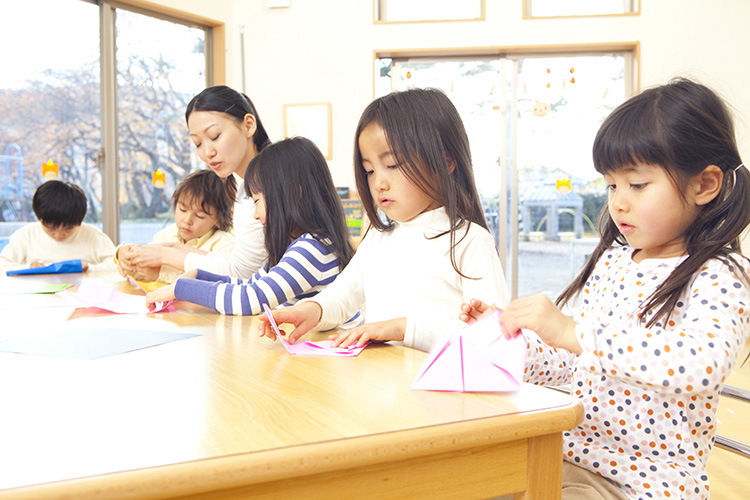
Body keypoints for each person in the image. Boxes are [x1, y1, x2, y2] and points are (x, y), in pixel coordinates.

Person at [460, 78, 750, 500]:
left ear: (704, 185)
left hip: (647, 485)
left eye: (637, 185)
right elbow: (579, 363)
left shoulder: (720, 272)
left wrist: (572, 331)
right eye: (611, 185)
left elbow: (699, 364)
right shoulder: (615, 261)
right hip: (568, 456)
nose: (618, 202)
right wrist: (512, 343)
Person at [259, 87, 509, 352]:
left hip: (441, 388)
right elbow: (343, 296)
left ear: (445, 162)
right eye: (369, 170)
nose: (378, 183)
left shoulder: (470, 241)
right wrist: (310, 310)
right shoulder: (378, 239)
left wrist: (402, 328)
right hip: (381, 384)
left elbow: (492, 334)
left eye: (392, 165)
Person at [145, 136, 357, 317]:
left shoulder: (312, 249)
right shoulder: (295, 246)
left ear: (293, 195)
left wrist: (183, 288)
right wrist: (200, 276)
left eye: (257, 201)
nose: (255, 215)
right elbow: (249, 284)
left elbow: (251, 299)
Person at [117, 85, 270, 280]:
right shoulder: (244, 188)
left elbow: (243, 273)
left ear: (248, 125)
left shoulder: (265, 186)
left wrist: (165, 256)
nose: (207, 152)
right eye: (197, 143)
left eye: (215, 136)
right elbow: (234, 261)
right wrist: (157, 251)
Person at [115, 169, 234, 283]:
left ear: (219, 219)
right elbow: (141, 272)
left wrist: (160, 275)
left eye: (199, 216)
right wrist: (124, 256)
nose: (187, 220)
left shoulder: (223, 244)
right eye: (182, 209)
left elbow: (215, 285)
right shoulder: (166, 235)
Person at [0, 180, 116, 272]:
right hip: (40, 295)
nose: (58, 235)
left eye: (68, 228)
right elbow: (3, 264)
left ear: (79, 221)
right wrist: (29, 268)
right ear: (39, 218)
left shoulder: (91, 235)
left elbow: (116, 264)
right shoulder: (27, 235)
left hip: (80, 294)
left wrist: (90, 268)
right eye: (50, 228)